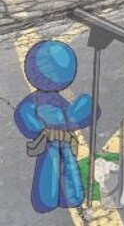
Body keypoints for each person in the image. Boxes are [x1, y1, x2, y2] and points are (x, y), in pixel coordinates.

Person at [14, 41, 95, 212]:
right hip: (50, 142)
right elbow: (26, 114)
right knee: (50, 167)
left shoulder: (57, 102)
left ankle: (69, 197)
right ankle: (48, 199)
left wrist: (85, 110)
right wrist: (41, 130)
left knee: (68, 167)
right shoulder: (35, 102)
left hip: (62, 141)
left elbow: (70, 115)